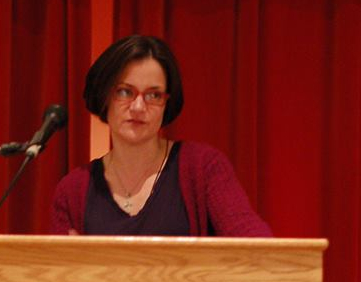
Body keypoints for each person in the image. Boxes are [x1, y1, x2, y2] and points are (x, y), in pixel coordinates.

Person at [50, 35, 272, 237]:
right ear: (104, 96)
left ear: (167, 103)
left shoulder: (203, 167)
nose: (138, 107)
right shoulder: (73, 190)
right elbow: (55, 274)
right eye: (125, 92)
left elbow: (254, 244)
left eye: (153, 95)